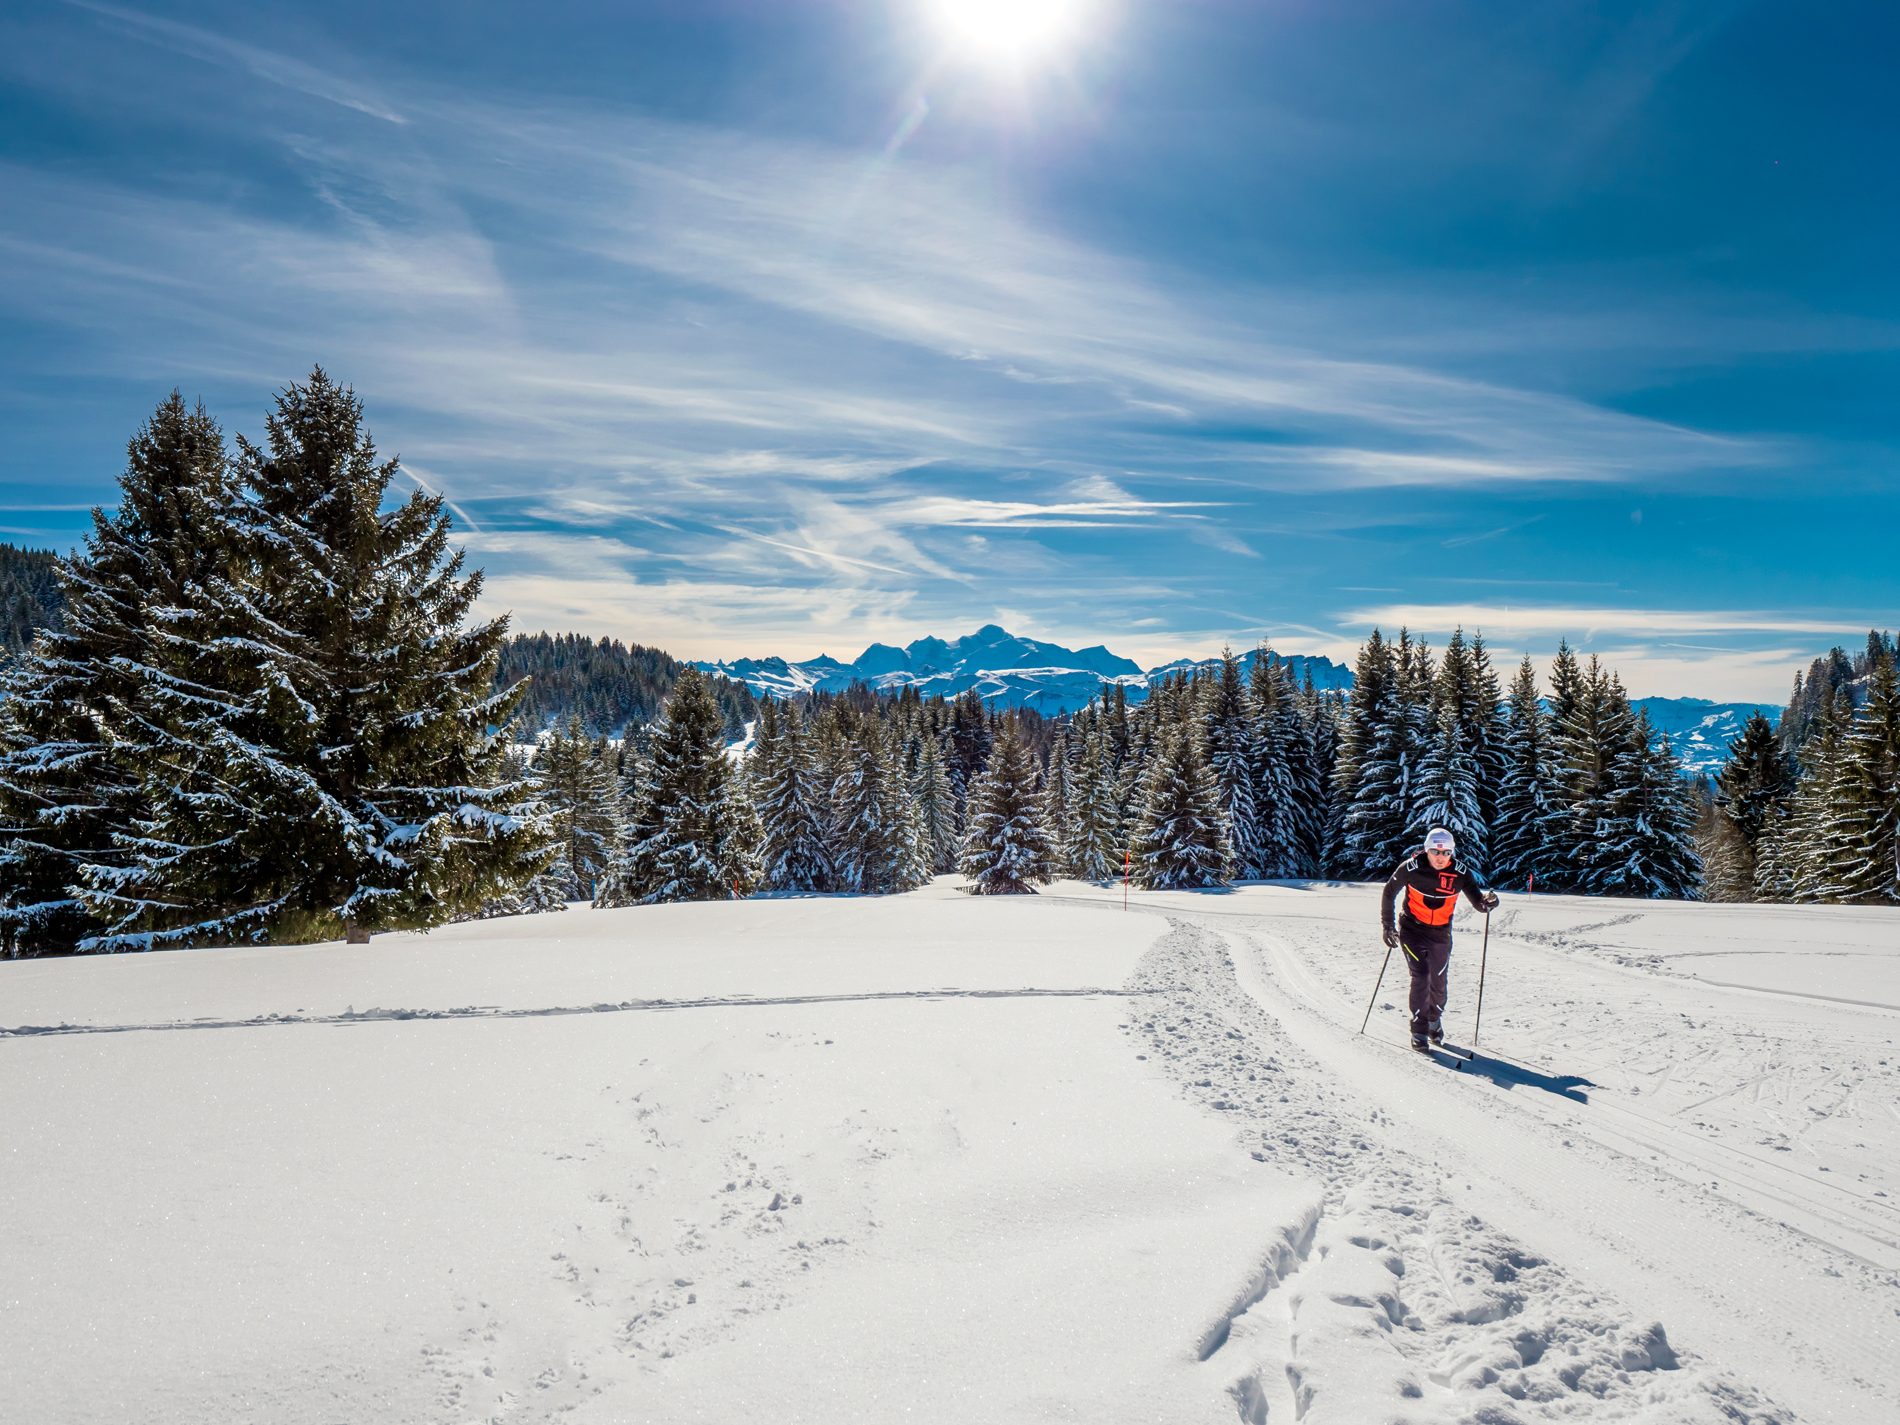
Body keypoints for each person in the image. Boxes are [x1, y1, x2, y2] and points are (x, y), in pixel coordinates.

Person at [1379, 827, 1498, 1050]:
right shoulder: (1411, 868)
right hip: (1412, 930)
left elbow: (1479, 902)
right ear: (1427, 850)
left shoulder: (1460, 872)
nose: (1441, 858)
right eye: (1435, 852)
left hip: (1441, 934)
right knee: (1421, 975)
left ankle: (1434, 1019)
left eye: (1446, 853)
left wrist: (1488, 902)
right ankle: (1419, 1030)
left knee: (1439, 983)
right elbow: (1389, 891)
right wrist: (1388, 926)